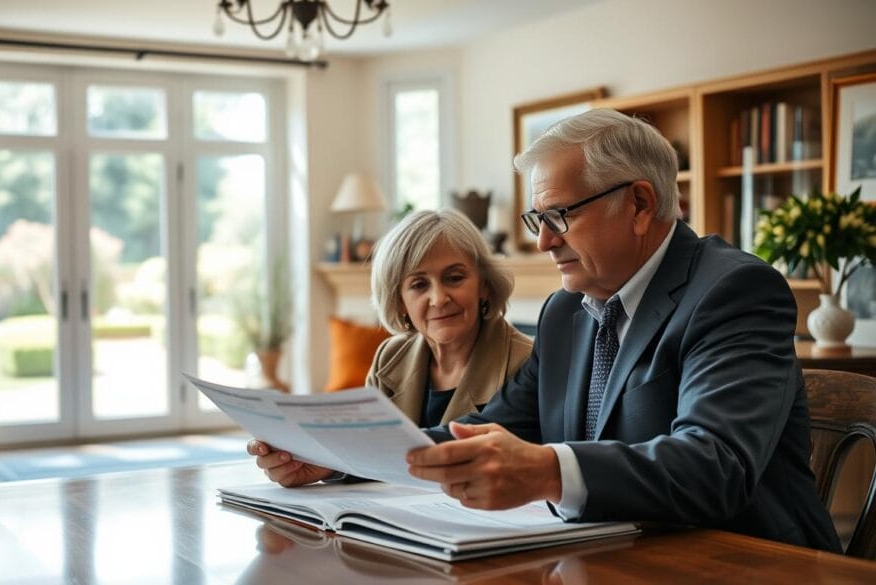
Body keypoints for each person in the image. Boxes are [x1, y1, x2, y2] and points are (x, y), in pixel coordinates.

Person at [404, 108, 840, 552]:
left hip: (747, 563)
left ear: (639, 204)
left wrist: (548, 471)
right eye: (538, 219)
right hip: (615, 558)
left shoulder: (736, 291)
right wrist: (354, 455)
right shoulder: (563, 312)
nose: (543, 242)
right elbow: (490, 428)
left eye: (558, 215)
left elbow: (715, 465)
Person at [248, 208, 533, 487]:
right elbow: (372, 449)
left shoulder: (527, 361)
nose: (439, 298)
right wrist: (322, 466)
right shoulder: (390, 357)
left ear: (483, 285)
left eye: (454, 277)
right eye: (419, 284)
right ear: (400, 302)